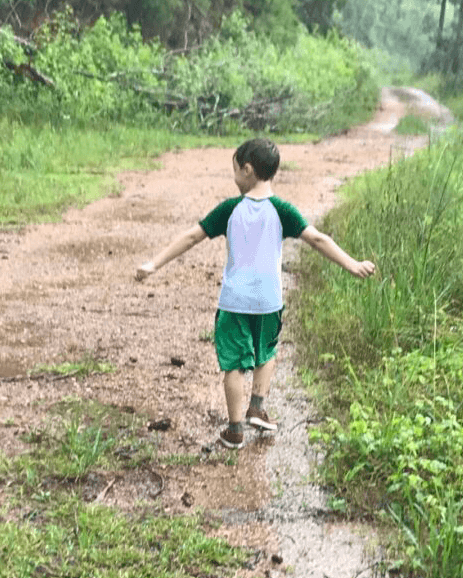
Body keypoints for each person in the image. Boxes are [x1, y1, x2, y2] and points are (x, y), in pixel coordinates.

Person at [136, 138, 375, 449]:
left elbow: (193, 236)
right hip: (268, 300)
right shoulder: (283, 211)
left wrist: (154, 264)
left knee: (232, 364)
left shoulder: (230, 209)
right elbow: (317, 239)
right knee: (267, 351)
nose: (234, 176)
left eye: (235, 170)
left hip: (234, 301)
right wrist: (352, 265)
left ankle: (235, 429)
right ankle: (257, 406)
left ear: (247, 170)